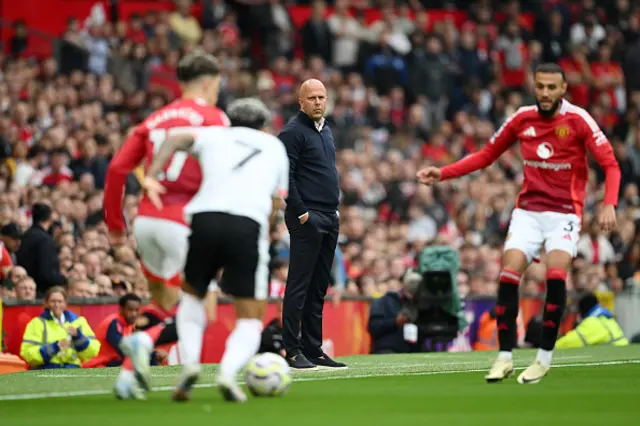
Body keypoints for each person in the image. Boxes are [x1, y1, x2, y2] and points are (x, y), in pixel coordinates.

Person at [417, 62, 621, 384]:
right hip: (528, 211)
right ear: (534, 86)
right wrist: (443, 172)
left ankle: (543, 358)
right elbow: (486, 155)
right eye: (540, 86)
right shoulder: (522, 119)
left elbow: (610, 164)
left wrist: (609, 203)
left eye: (551, 87)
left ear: (563, 89)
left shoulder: (579, 120)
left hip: (564, 213)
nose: (544, 93)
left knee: (555, 276)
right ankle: (505, 356)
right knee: (508, 275)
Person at [139, 98, 289, 403]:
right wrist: (269, 228)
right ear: (263, 124)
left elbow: (173, 139)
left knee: (193, 294)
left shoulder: (212, 134)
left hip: (204, 219)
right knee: (250, 316)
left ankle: (191, 364)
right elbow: (277, 200)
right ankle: (227, 373)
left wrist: (152, 175)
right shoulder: (275, 147)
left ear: (230, 120)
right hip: (247, 225)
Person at [104, 50, 228, 394]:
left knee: (166, 304)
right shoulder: (215, 118)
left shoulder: (154, 119)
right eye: (218, 83)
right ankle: (147, 342)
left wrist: (116, 228)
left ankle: (133, 375)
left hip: (146, 223)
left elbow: (116, 170)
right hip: (185, 224)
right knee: (204, 306)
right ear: (207, 81)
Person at [278, 79, 345, 370]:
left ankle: (313, 348)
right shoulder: (292, 133)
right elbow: (285, 176)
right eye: (312, 98)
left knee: (318, 287)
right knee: (299, 286)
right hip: (308, 216)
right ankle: (291, 350)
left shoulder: (326, 131)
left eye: (321, 97)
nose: (318, 102)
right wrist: (301, 211)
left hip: (329, 215)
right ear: (300, 102)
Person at [20, 286, 100, 369]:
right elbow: (28, 354)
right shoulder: (36, 323)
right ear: (46, 303)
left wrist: (78, 337)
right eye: (53, 301)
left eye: (60, 301)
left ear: (65, 303)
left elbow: (93, 351)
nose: (56, 305)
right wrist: (54, 347)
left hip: (73, 369)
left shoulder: (79, 321)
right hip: (46, 370)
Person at [16, 203, 66, 295]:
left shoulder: (26, 235)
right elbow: (46, 272)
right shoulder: (44, 239)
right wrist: (64, 279)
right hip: (40, 292)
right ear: (49, 219)